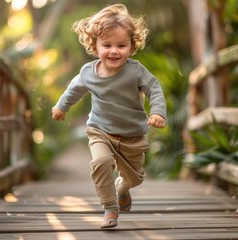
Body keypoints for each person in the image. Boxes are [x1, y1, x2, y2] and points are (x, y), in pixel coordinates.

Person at [51, 3, 167, 229]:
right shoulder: (88, 73)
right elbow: (74, 89)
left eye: (121, 45)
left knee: (135, 179)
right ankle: (110, 209)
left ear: (132, 47)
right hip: (100, 130)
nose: (114, 50)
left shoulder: (136, 71)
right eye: (107, 45)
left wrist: (157, 112)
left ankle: (122, 189)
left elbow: (154, 88)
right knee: (101, 162)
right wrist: (61, 107)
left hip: (132, 135)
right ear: (94, 47)